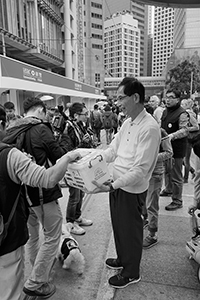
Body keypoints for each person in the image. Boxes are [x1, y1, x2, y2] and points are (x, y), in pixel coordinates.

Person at [86, 77, 160, 288]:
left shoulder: (149, 128)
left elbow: (140, 170)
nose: (117, 102)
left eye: (120, 97)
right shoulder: (128, 122)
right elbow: (112, 151)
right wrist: (92, 158)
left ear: (135, 97)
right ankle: (122, 259)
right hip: (117, 184)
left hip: (131, 188)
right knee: (119, 226)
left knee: (131, 231)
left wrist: (111, 185)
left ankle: (131, 272)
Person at [0, 104, 80, 300]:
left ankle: (38, 270)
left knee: (33, 237)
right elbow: (52, 169)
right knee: (52, 235)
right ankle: (37, 280)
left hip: (22, 200)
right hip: (39, 196)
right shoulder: (40, 130)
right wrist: (69, 155)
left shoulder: (12, 131)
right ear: (42, 111)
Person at [63, 102, 93, 235]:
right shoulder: (68, 127)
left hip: (80, 165)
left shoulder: (80, 125)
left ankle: (77, 217)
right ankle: (71, 222)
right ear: (76, 115)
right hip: (72, 167)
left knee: (81, 192)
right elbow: (68, 150)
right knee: (74, 195)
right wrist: (83, 143)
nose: (87, 116)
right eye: (84, 114)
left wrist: (87, 141)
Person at [143, 128, 173, 248]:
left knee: (152, 204)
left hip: (155, 173)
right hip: (143, 173)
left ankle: (152, 235)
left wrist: (152, 157)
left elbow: (169, 152)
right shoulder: (139, 130)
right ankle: (146, 220)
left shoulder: (161, 132)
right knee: (144, 201)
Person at [160, 88, 189, 210]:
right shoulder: (165, 111)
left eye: (171, 97)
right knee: (167, 171)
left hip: (177, 148)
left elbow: (185, 130)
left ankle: (177, 200)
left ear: (178, 99)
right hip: (166, 148)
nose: (168, 99)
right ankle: (168, 189)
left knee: (176, 175)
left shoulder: (182, 113)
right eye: (167, 97)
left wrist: (172, 135)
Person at [181, 98, 199, 183]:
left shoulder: (188, 114)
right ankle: (191, 172)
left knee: (186, 159)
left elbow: (196, 126)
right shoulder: (186, 113)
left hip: (188, 138)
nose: (181, 106)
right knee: (183, 159)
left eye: (182, 104)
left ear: (186, 105)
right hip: (186, 138)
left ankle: (185, 178)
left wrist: (186, 129)